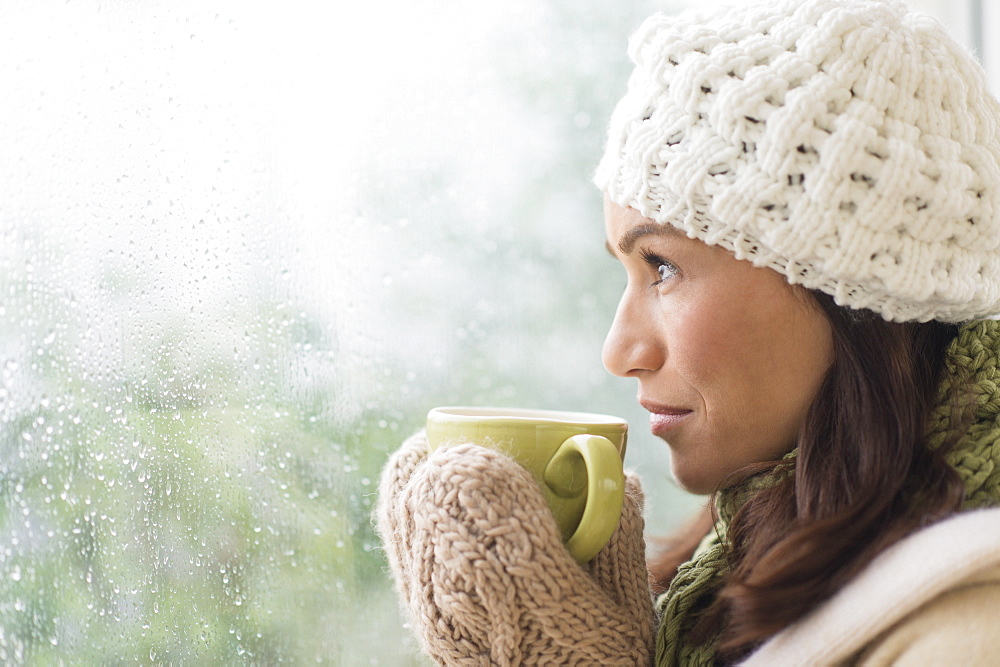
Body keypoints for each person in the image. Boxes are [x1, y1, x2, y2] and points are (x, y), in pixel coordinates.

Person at [376, 0, 1000, 663]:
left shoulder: (969, 627)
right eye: (627, 269)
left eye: (663, 266)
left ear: (846, 289)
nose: (618, 351)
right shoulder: (728, 571)